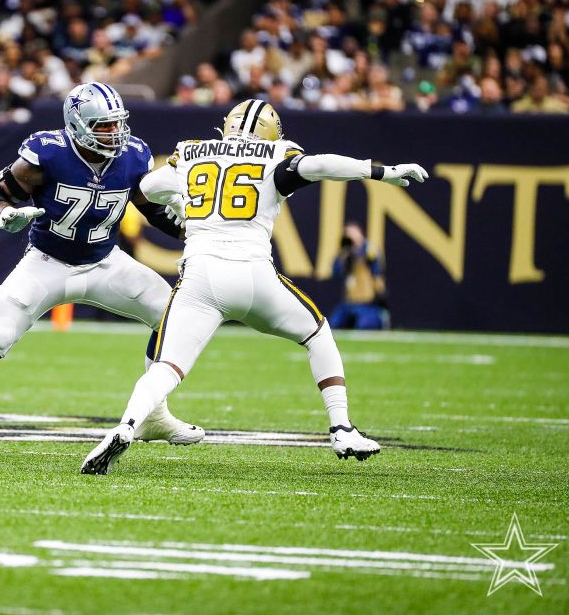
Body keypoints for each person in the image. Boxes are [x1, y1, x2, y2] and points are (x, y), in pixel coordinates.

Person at [81, 99, 429, 474]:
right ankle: (341, 427)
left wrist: (183, 202)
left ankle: (126, 426)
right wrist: (381, 172)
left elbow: (149, 187)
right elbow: (320, 164)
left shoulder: (194, 151)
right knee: (316, 332)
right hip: (255, 277)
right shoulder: (278, 153)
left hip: (201, 277)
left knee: (166, 367)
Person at [0, 82, 200, 460]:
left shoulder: (135, 155)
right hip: (47, 262)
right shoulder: (48, 153)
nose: (115, 133)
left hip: (106, 261)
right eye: (103, 126)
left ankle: (154, 415)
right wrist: (4, 214)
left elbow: (154, 211)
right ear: (77, 125)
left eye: (117, 123)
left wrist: (196, 227)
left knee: (172, 315)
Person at [328, 222, 389, 330]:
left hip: (368, 304)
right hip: (348, 304)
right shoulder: (345, 254)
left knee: (363, 326)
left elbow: (377, 273)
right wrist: (345, 252)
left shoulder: (370, 251)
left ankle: (380, 318)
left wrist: (359, 246)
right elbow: (335, 271)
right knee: (332, 324)